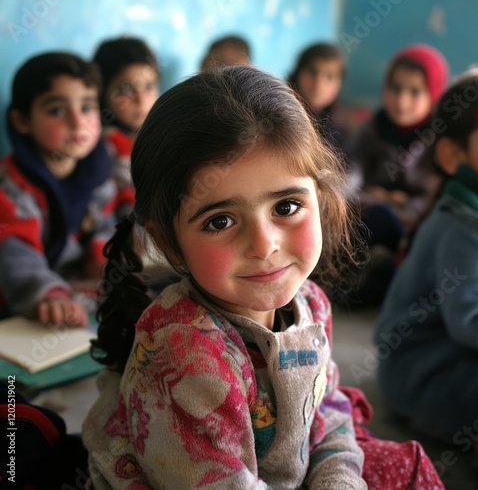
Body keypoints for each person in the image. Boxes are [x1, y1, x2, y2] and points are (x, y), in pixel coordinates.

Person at [82, 65, 444, 489]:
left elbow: (327, 411)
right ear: (170, 242)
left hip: (280, 471)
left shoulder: (310, 303)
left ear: (320, 197)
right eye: (220, 221)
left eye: (287, 207)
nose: (264, 245)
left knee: (408, 468)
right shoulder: (184, 353)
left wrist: (339, 482)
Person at [374, 66, 478, 485]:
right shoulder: (463, 225)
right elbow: (476, 319)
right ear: (453, 156)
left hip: (456, 353)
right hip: (424, 371)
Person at [0, 52, 119, 326]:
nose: (77, 123)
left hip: (74, 292)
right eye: (57, 110)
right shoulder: (11, 188)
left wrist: (108, 267)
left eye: (87, 107)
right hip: (21, 305)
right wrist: (50, 295)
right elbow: (17, 257)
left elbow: (103, 230)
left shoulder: (99, 173)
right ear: (21, 121)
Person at [350, 43, 449, 307]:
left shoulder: (440, 138)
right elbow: (349, 179)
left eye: (415, 91)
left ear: (434, 94)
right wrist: (376, 198)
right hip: (370, 213)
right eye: (395, 88)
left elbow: (436, 194)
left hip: (417, 223)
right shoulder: (373, 127)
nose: (402, 100)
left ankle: (385, 282)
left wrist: (404, 205)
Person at [93, 36, 160, 218]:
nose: (141, 100)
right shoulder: (105, 148)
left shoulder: (157, 136)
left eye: (149, 86)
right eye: (126, 90)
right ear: (102, 93)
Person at [288, 42, 354, 175]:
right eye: (312, 72)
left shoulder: (343, 125)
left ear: (340, 84)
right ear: (298, 73)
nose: (318, 83)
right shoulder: (278, 111)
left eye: (329, 76)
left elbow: (349, 173)